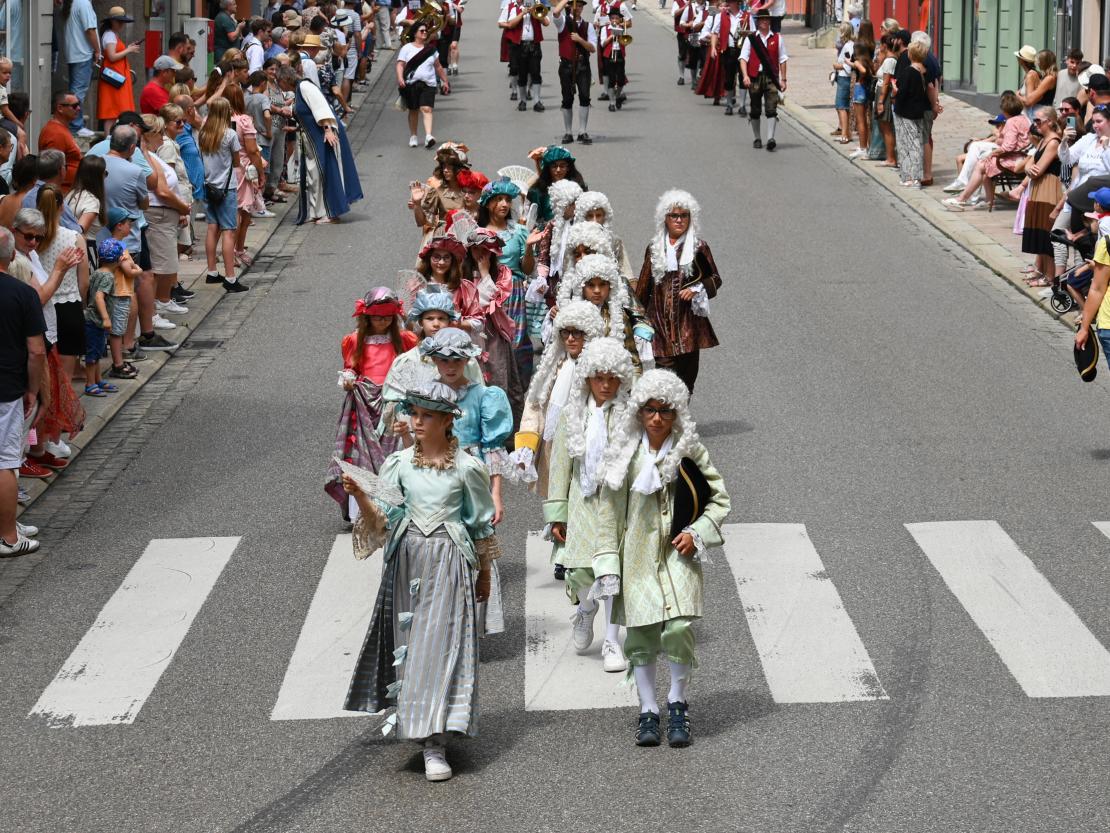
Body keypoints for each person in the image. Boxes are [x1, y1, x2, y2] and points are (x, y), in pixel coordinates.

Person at [343, 381, 500, 782]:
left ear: (447, 421)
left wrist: (484, 574)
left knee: (441, 646)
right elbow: (382, 520)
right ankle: (423, 730)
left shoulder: (467, 468)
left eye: (426, 415)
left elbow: (480, 526)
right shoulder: (398, 464)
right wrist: (360, 495)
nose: (416, 421)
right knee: (413, 648)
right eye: (414, 413)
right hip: (407, 563)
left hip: (449, 562)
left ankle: (436, 741)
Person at [594, 368, 730, 748]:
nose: (656, 418)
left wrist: (697, 532)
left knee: (678, 627)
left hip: (678, 554)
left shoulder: (690, 450)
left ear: (677, 413)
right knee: (640, 633)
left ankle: (677, 702)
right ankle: (648, 709)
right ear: (638, 411)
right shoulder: (624, 456)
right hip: (636, 557)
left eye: (665, 411)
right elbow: (608, 514)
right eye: (650, 409)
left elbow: (719, 499)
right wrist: (607, 565)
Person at [544, 337, 635, 672]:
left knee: (612, 573)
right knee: (582, 573)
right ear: (587, 378)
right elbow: (559, 466)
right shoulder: (572, 414)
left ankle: (612, 641)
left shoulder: (629, 415)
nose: (606, 385)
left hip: (616, 504)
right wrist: (557, 513)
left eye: (613, 378)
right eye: (599, 378)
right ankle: (585, 609)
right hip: (581, 502)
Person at [327, 288, 417, 520]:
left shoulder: (405, 339)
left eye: (388, 317)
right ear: (367, 317)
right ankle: (362, 509)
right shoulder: (354, 340)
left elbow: (413, 366)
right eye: (377, 317)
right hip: (363, 403)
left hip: (394, 403)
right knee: (361, 454)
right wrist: (348, 379)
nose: (383, 322)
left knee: (395, 453)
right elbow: (351, 368)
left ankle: (396, 505)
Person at [10, 208, 86, 471]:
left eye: (39, 238)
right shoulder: (16, 261)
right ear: (14, 231)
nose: (33, 242)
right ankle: (22, 456)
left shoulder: (30, 254)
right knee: (34, 400)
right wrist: (60, 270)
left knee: (46, 399)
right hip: (34, 339)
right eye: (28, 236)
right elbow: (38, 299)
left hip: (46, 334)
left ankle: (37, 449)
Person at [512, 299, 605, 495]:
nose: (570, 339)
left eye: (577, 332)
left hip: (584, 447)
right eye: (565, 332)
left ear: (589, 333)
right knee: (554, 497)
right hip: (553, 444)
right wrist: (527, 444)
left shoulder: (600, 372)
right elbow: (535, 405)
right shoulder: (555, 364)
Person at [635, 190, 721, 392]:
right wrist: (636, 320)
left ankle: (680, 409)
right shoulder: (654, 248)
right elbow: (643, 287)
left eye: (684, 215)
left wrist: (697, 289)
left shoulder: (699, 247)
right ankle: (667, 411)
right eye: (674, 215)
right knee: (664, 381)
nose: (679, 220)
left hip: (689, 328)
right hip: (660, 327)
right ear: (664, 218)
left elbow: (715, 279)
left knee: (686, 383)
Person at [0, 226, 46, 557]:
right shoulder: (22, 294)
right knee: (5, 461)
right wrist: (33, 389)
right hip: (6, 387)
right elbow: (36, 351)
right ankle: (7, 537)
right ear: (12, 254)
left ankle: (8, 525)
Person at [276, 66, 363, 225]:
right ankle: (318, 211)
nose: (278, 84)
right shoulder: (299, 90)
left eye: (279, 81)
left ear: (284, 80)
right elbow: (308, 114)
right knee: (314, 176)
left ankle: (331, 212)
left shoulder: (305, 86)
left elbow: (321, 107)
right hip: (314, 138)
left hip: (323, 136)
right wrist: (297, 128)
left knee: (325, 173)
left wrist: (328, 129)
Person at [478, 178, 539, 391]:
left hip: (514, 293)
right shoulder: (479, 233)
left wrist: (529, 248)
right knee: (492, 342)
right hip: (489, 293)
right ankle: (494, 388)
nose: (504, 204)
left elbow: (527, 269)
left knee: (517, 341)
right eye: (498, 199)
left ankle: (517, 390)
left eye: (507, 199)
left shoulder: (519, 231)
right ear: (487, 203)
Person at [139, 115, 192, 318]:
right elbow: (161, 190)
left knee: (167, 262)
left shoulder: (152, 154)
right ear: (149, 135)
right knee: (159, 265)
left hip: (166, 213)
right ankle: (155, 308)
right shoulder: (145, 155)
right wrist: (181, 207)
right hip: (158, 213)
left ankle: (163, 300)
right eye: (160, 133)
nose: (163, 137)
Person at [36, 185, 89, 387]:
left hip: (41, 305)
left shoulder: (32, 239)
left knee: (44, 375)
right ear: (62, 208)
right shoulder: (74, 238)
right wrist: (82, 303)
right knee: (65, 380)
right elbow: (84, 282)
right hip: (69, 306)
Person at [560, 253, 648, 372]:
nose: (597, 290)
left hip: (608, 377)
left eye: (602, 285)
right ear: (581, 287)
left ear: (610, 286)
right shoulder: (571, 314)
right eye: (591, 285)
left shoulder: (618, 318)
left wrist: (634, 380)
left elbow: (632, 359)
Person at [943, 93, 1029, 210]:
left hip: (1013, 158)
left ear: (1006, 110)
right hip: (1019, 155)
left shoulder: (1011, 122)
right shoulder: (1024, 119)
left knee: (981, 164)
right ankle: (986, 200)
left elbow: (1008, 147)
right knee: (981, 158)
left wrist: (993, 153)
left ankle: (961, 198)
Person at [198, 98, 248, 293]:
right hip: (226, 189)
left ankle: (212, 271)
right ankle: (230, 277)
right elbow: (236, 162)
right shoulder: (229, 134)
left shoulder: (203, 133)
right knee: (228, 231)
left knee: (212, 228)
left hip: (208, 186)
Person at [1017, 106, 1063, 287]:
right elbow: (1030, 165)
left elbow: (1037, 170)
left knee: (1046, 234)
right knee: (1039, 231)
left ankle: (1050, 277)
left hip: (1049, 189)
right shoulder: (1044, 140)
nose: (1035, 124)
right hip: (1039, 188)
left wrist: (1029, 169)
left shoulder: (1053, 142)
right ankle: (1042, 271)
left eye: (1038, 121)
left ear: (1050, 122)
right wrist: (1029, 168)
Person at [396, 20, 450, 149]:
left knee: (427, 109)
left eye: (426, 31)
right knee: (414, 110)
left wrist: (445, 81)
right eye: (422, 31)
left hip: (428, 84)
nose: (425, 32)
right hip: (411, 84)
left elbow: (438, 66)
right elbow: (400, 65)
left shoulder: (431, 49)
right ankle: (413, 136)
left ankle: (428, 136)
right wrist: (400, 78)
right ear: (415, 33)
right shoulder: (406, 48)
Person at [739, 8, 788, 151]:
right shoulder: (751, 38)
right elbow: (743, 58)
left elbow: (783, 59)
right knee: (755, 109)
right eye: (762, 19)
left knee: (771, 108)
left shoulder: (777, 38)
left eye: (767, 19)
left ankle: (770, 138)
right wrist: (745, 75)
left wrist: (783, 79)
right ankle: (757, 138)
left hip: (771, 77)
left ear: (770, 21)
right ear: (758, 22)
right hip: (754, 77)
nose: (765, 21)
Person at [552, 0, 596, 144]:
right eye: (575, 5)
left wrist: (580, 40)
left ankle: (582, 131)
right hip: (566, 65)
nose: (578, 8)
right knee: (567, 98)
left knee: (584, 97)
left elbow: (592, 48)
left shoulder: (588, 26)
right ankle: (568, 132)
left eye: (580, 6)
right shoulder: (563, 22)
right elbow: (555, 12)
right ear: (570, 7)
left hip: (583, 65)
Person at [82, 241, 120, 398]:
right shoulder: (108, 277)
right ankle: (90, 383)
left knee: (97, 352)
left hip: (92, 319)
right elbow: (99, 297)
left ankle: (97, 380)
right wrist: (106, 318)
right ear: (118, 260)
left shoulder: (97, 272)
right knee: (92, 355)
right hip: (95, 320)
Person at [535, 179, 582, 302]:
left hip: (575, 278)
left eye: (575, 203)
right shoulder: (552, 225)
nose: (574, 207)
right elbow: (544, 253)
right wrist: (541, 277)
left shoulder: (580, 226)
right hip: (554, 279)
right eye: (570, 204)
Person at [891, 39, 930, 187]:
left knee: (907, 145)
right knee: (916, 143)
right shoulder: (923, 71)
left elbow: (902, 93)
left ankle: (911, 177)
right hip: (918, 112)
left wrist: (895, 91)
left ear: (911, 54)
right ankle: (914, 176)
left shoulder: (909, 72)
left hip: (905, 112)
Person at [499, 0, 550, 113]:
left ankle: (537, 101)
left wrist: (535, 12)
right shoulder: (511, 7)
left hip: (534, 45)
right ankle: (522, 101)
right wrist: (522, 13)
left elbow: (546, 23)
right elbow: (507, 24)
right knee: (521, 74)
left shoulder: (536, 6)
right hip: (519, 45)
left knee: (536, 73)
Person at [409, 142, 468, 238]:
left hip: (468, 239)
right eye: (444, 166)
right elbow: (421, 222)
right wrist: (417, 204)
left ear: (459, 168)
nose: (445, 170)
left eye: (449, 166)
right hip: (446, 240)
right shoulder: (437, 191)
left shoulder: (471, 190)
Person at [942, 110, 1006, 197]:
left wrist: (996, 133)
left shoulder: (1004, 133)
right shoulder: (997, 134)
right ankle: (962, 184)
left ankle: (970, 190)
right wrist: (979, 141)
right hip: (989, 150)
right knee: (960, 158)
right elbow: (987, 141)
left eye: (998, 125)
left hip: (997, 154)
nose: (996, 127)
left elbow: (1004, 145)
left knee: (976, 161)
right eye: (996, 125)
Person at [97, 7, 140, 133]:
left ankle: (111, 137)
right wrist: (129, 50)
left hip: (116, 77)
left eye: (123, 21)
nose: (121, 24)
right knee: (111, 111)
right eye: (119, 21)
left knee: (115, 110)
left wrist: (127, 49)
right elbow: (112, 56)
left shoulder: (112, 34)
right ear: (112, 21)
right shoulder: (110, 35)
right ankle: (109, 138)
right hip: (114, 78)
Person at [64, 0, 101, 138]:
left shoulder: (75, 3)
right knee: (78, 92)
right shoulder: (84, 3)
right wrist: (97, 50)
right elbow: (90, 30)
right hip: (82, 53)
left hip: (74, 53)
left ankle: (74, 124)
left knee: (75, 90)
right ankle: (76, 126)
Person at [526, 144, 587, 226]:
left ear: (568, 168)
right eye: (554, 166)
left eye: (562, 166)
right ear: (548, 168)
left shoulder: (578, 187)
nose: (558, 170)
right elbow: (532, 219)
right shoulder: (537, 191)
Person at [37, 92, 84, 191]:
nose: (78, 108)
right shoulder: (56, 133)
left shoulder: (60, 129)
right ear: (60, 108)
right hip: (61, 193)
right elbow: (51, 172)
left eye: (78, 104)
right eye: (74, 106)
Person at [65, 155, 108, 246]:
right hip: (84, 248)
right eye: (105, 173)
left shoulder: (70, 195)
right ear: (97, 177)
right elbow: (79, 231)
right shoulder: (92, 201)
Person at [848, 21, 875, 159]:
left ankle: (863, 147)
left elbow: (862, 69)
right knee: (868, 118)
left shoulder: (859, 46)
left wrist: (852, 64)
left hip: (860, 85)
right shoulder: (872, 45)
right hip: (869, 84)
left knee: (860, 120)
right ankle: (867, 146)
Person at [598, 7, 631, 112]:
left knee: (621, 80)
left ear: (619, 19)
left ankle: (617, 96)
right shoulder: (605, 29)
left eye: (617, 18)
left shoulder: (622, 28)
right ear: (610, 19)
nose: (615, 20)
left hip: (619, 54)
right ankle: (612, 103)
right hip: (609, 55)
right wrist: (612, 36)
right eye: (613, 18)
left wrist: (621, 36)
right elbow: (602, 44)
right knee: (611, 80)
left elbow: (625, 43)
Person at [831, 23, 855, 143]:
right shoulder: (849, 45)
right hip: (843, 78)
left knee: (841, 106)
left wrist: (838, 66)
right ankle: (847, 133)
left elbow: (849, 65)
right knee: (844, 107)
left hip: (844, 78)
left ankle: (844, 134)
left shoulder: (848, 46)